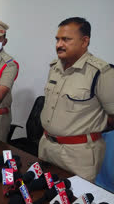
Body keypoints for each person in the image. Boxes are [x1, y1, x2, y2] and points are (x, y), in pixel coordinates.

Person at [38, 17, 114, 182]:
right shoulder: (55, 67)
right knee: (43, 194)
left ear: (84, 41)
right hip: (46, 146)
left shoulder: (100, 72)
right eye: (57, 39)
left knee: (74, 197)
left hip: (78, 155)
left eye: (66, 39)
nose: (59, 44)